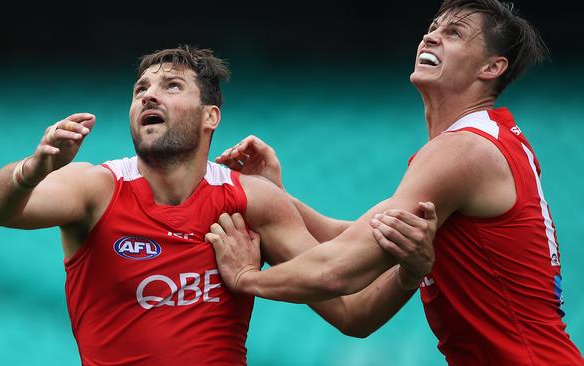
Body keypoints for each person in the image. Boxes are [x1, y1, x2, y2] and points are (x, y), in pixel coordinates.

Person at [0, 46, 437, 365]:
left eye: (172, 86)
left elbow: (353, 315)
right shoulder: (96, 188)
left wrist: (410, 272)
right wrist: (34, 167)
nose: (148, 96)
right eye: (140, 89)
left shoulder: (249, 200)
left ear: (210, 116)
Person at [208, 1, 584, 365]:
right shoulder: (480, 143)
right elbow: (353, 238)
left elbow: (338, 270)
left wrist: (246, 278)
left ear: (492, 67)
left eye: (453, 33)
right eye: (432, 29)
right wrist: (275, 198)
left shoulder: (463, 151)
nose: (430, 38)